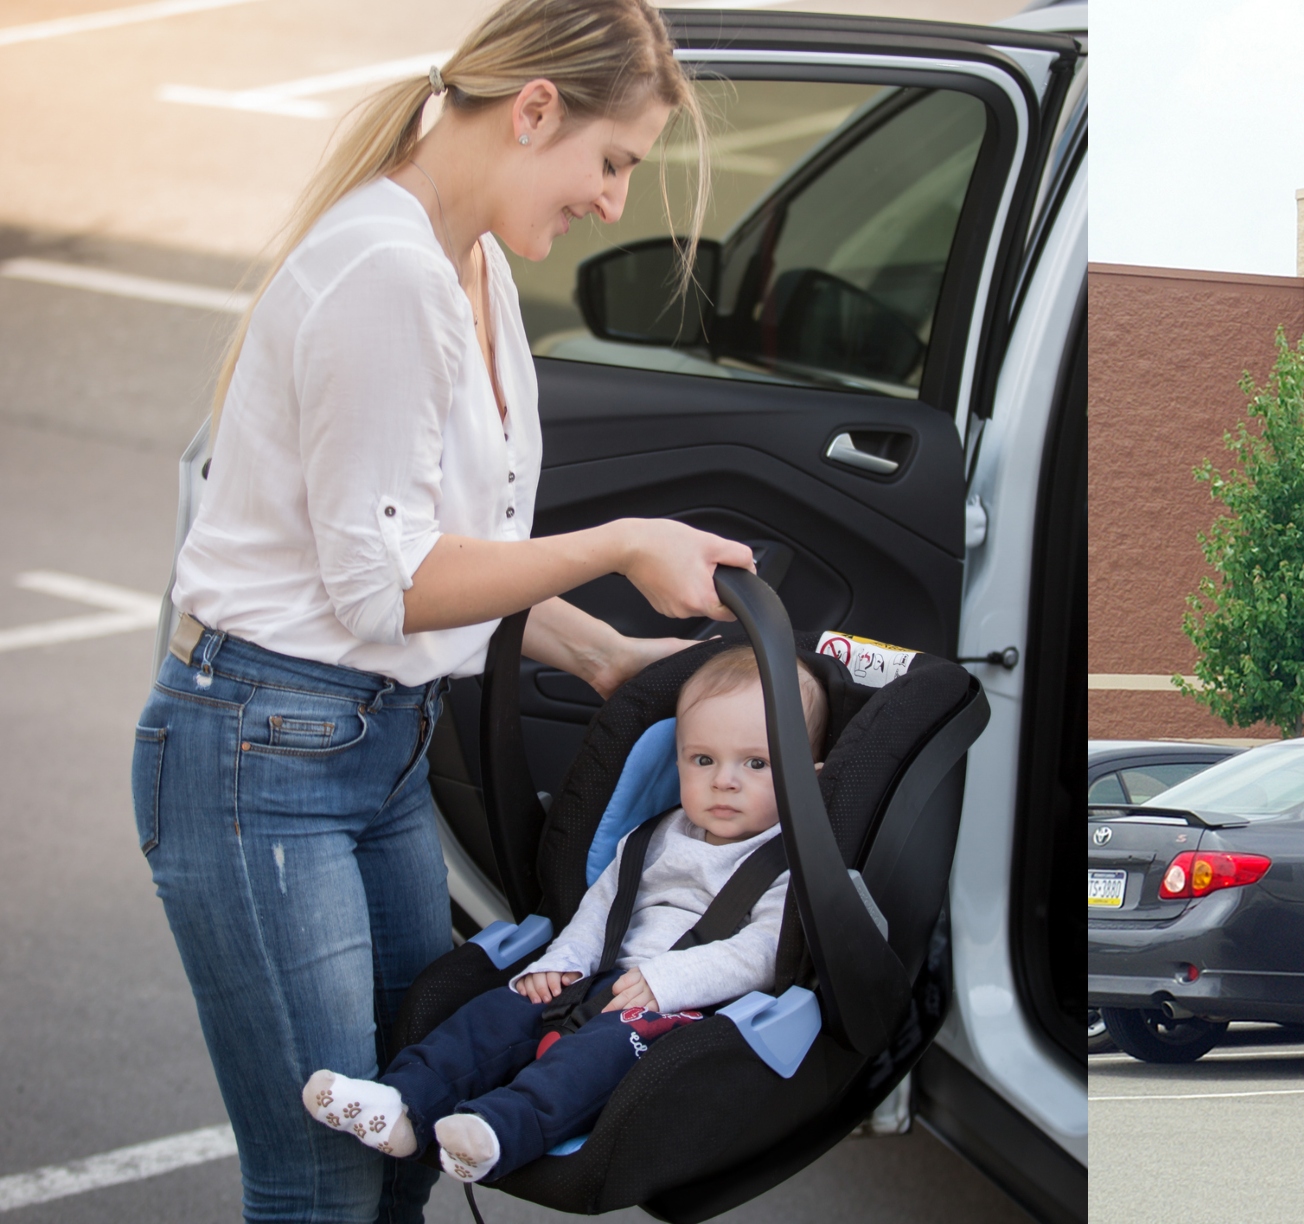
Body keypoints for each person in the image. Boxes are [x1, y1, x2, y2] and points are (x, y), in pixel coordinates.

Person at [131, 1, 732, 1219]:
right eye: (614, 162)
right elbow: (387, 585)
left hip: (371, 748)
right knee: (321, 1179)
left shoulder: (473, 264)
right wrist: (617, 545)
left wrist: (604, 652)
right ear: (534, 110)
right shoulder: (386, 272)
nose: (615, 202)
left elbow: (458, 551)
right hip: (260, 752)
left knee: (401, 1125)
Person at [301, 647, 822, 1183]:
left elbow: (763, 952)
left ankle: (500, 1130)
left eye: (756, 763)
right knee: (496, 1014)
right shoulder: (655, 836)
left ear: (812, 778)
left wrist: (666, 980)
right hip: (601, 977)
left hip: (689, 1006)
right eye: (703, 760)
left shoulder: (796, 864)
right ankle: (403, 1101)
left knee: (591, 1060)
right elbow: (602, 906)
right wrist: (566, 961)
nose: (724, 781)